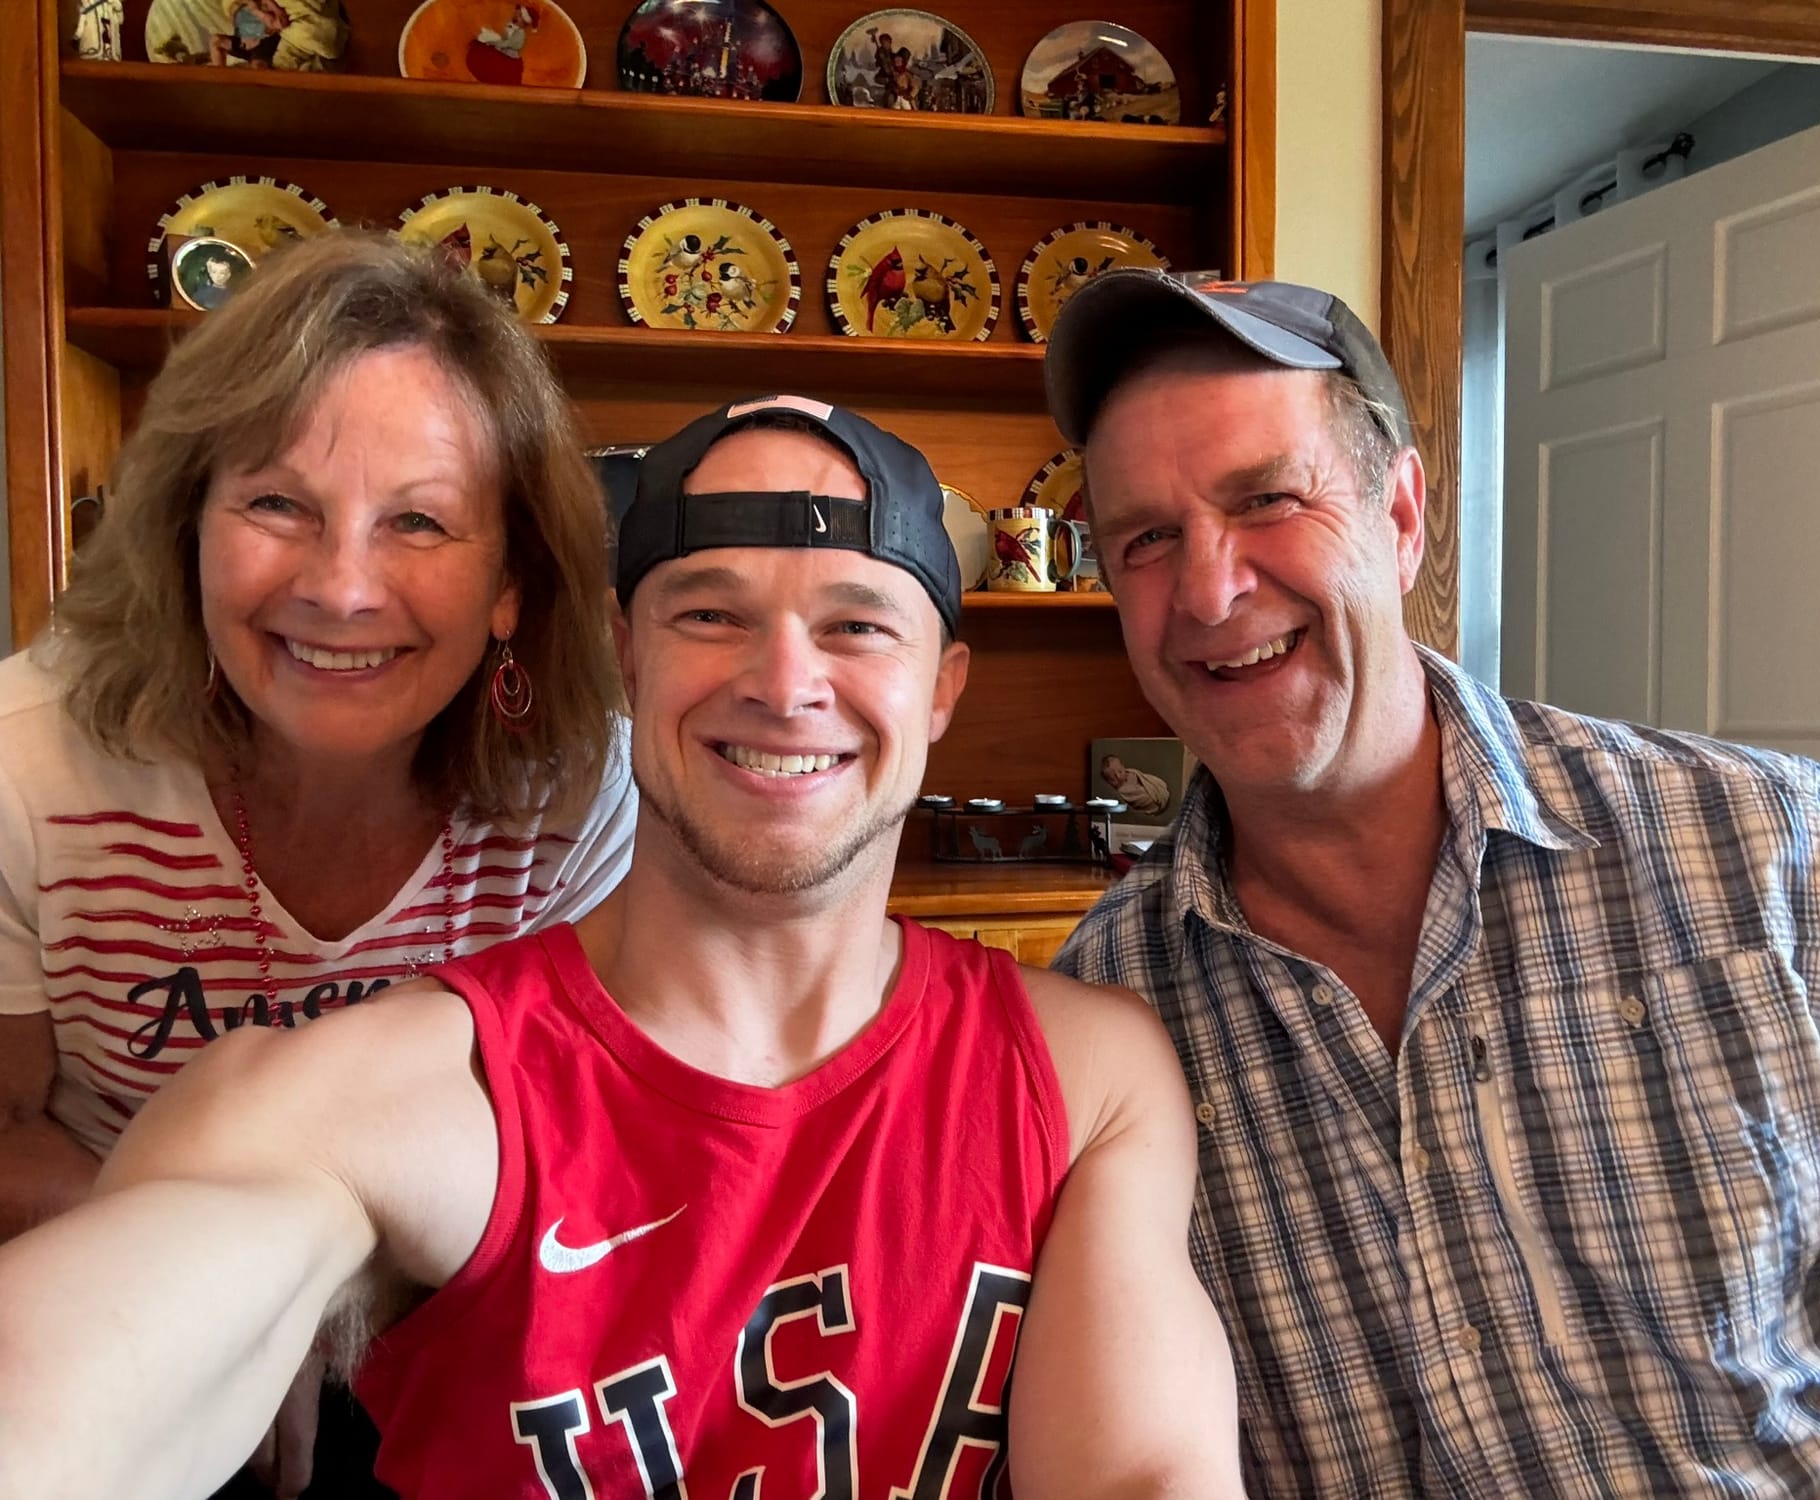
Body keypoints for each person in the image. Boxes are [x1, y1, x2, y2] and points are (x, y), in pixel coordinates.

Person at [0, 395, 1244, 1500]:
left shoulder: (1085, 1079)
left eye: (857, 625)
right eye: (711, 612)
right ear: (623, 655)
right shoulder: (397, 1092)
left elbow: (1142, 1470)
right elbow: (110, 1348)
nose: (783, 680)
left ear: (942, 689)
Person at [1042, 269, 1820, 1496]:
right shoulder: (1104, 1023)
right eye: (1146, 540)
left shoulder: (1766, 851)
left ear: (1399, 515)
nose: (1210, 591)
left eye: (1267, 500)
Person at [0, 230, 635, 1494]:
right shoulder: (30, 765)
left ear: (512, 581)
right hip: (103, 1315)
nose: (342, 589)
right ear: (187, 522)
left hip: (457, 1333)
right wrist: (224, 1282)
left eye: (420, 521)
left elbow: (587, 1147)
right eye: (277, 504)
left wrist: (317, 1292)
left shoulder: (585, 790)